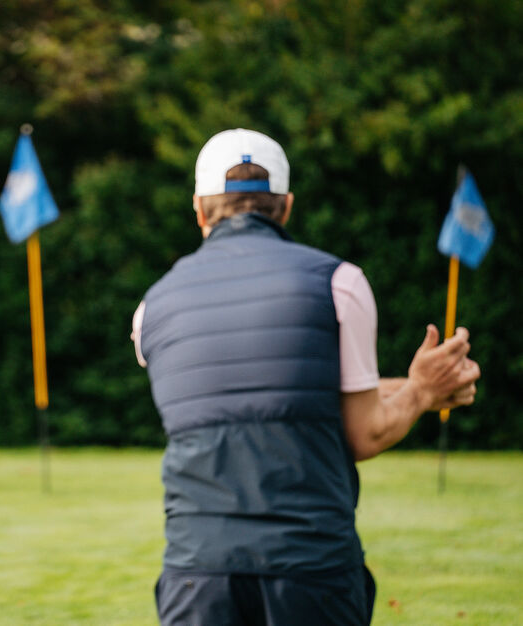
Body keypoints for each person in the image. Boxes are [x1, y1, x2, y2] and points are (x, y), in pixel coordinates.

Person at [131, 129, 481, 625]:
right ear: (287, 206)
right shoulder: (340, 284)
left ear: (199, 209)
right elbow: (364, 430)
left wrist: (419, 387)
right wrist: (422, 391)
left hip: (197, 572)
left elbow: (283, 401)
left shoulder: (151, 310)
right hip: (311, 567)